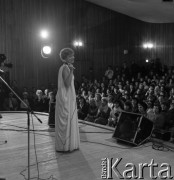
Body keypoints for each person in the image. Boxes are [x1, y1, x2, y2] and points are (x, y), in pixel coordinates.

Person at [55, 48, 80, 152]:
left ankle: (69, 144)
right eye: (71, 56)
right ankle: (66, 145)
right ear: (65, 58)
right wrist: (72, 70)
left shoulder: (65, 67)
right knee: (67, 119)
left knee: (69, 119)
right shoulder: (65, 67)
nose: (73, 57)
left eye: (73, 55)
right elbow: (67, 83)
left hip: (67, 96)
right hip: (66, 98)